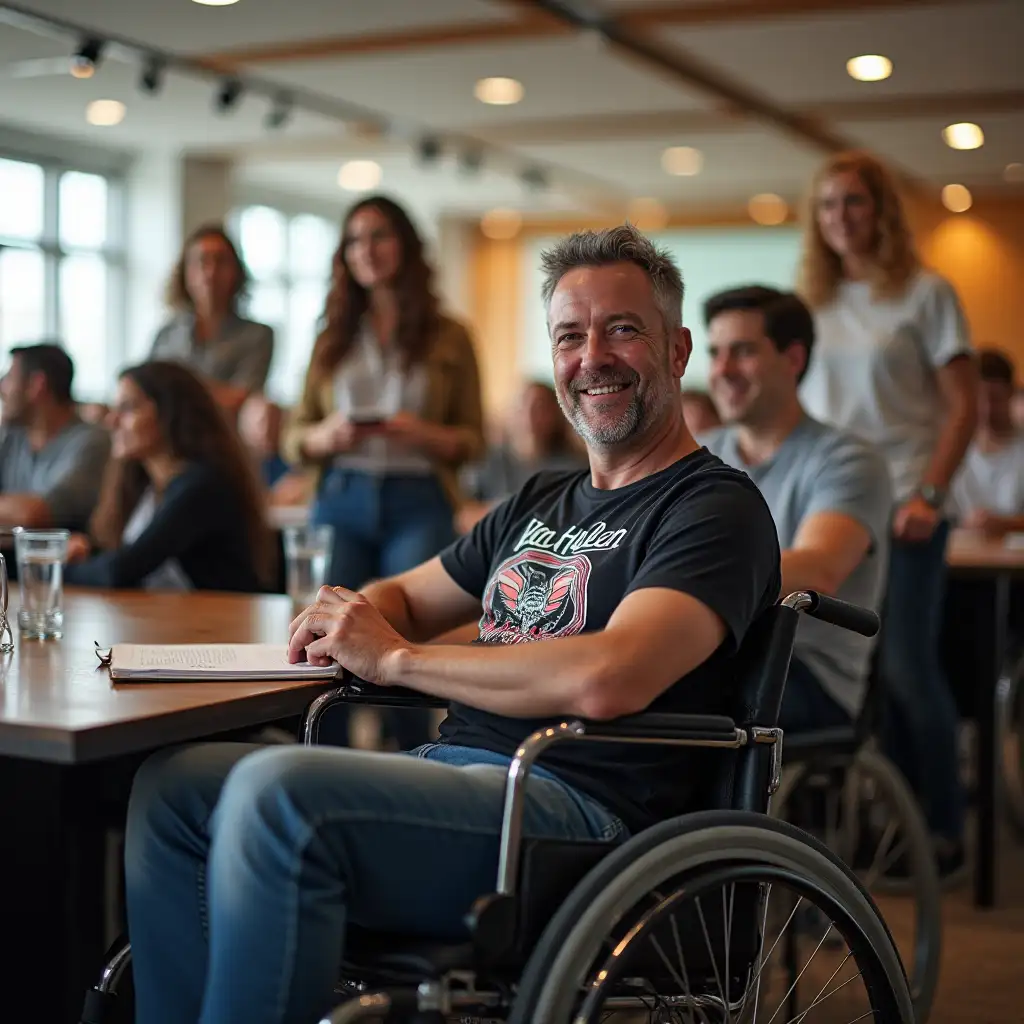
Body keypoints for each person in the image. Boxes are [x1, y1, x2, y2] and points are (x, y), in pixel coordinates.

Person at [123, 224, 781, 1024]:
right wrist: (350, 617)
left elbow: (611, 674)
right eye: (570, 336)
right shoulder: (541, 500)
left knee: (274, 790)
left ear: (677, 352)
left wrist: (397, 659)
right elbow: (402, 593)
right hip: (459, 778)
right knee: (173, 787)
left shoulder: (713, 507)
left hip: (576, 813)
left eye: (622, 331)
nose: (592, 358)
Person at [797, 149, 977, 877]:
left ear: (881, 211)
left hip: (906, 505)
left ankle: (942, 828)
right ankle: (884, 828)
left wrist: (931, 493)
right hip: (836, 505)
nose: (841, 217)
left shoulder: (926, 293)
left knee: (906, 670)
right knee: (855, 680)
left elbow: (964, 405)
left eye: (855, 203)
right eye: (829, 205)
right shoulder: (811, 301)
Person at [281, 195, 485, 749]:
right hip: (341, 494)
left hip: (417, 496)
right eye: (354, 240)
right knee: (326, 641)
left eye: (379, 237)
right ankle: (326, 759)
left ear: (406, 246)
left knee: (404, 640)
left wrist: (420, 432)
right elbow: (295, 435)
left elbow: (474, 438)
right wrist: (327, 436)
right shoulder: (331, 334)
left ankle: (412, 763)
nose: (366, 250)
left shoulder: (450, 334)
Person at [700, 285, 892, 731]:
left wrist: (683, 578)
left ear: (793, 359)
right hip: (713, 650)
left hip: (804, 675)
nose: (722, 370)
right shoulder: (699, 456)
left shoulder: (849, 459)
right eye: (715, 353)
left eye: (742, 351)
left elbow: (818, 568)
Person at [64, 361, 274, 592]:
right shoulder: (147, 486)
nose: (111, 421)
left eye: (128, 408)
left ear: (169, 413)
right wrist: (86, 552)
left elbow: (121, 570)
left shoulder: (200, 486)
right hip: (175, 620)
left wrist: (54, 567)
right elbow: (123, 556)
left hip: (220, 623)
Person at [150, 224, 274, 416]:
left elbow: (241, 400)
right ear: (185, 273)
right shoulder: (166, 334)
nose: (211, 273)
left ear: (236, 272)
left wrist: (175, 386)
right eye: (202, 261)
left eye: (221, 262)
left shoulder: (257, 336)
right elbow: (146, 392)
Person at [0, 342, 110, 532]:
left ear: (37, 384)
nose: (2, 389)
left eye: (9, 378)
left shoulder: (91, 441)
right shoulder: (13, 436)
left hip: (65, 560)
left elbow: (36, 513)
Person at [457, 379, 585, 532]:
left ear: (557, 413)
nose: (529, 415)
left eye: (539, 408)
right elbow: (465, 517)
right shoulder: (487, 460)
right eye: (522, 406)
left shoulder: (575, 466)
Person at [950, 349, 1024, 538]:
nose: (987, 408)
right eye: (980, 399)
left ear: (1011, 393)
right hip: (961, 558)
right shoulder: (953, 450)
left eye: (995, 398)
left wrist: (1008, 525)